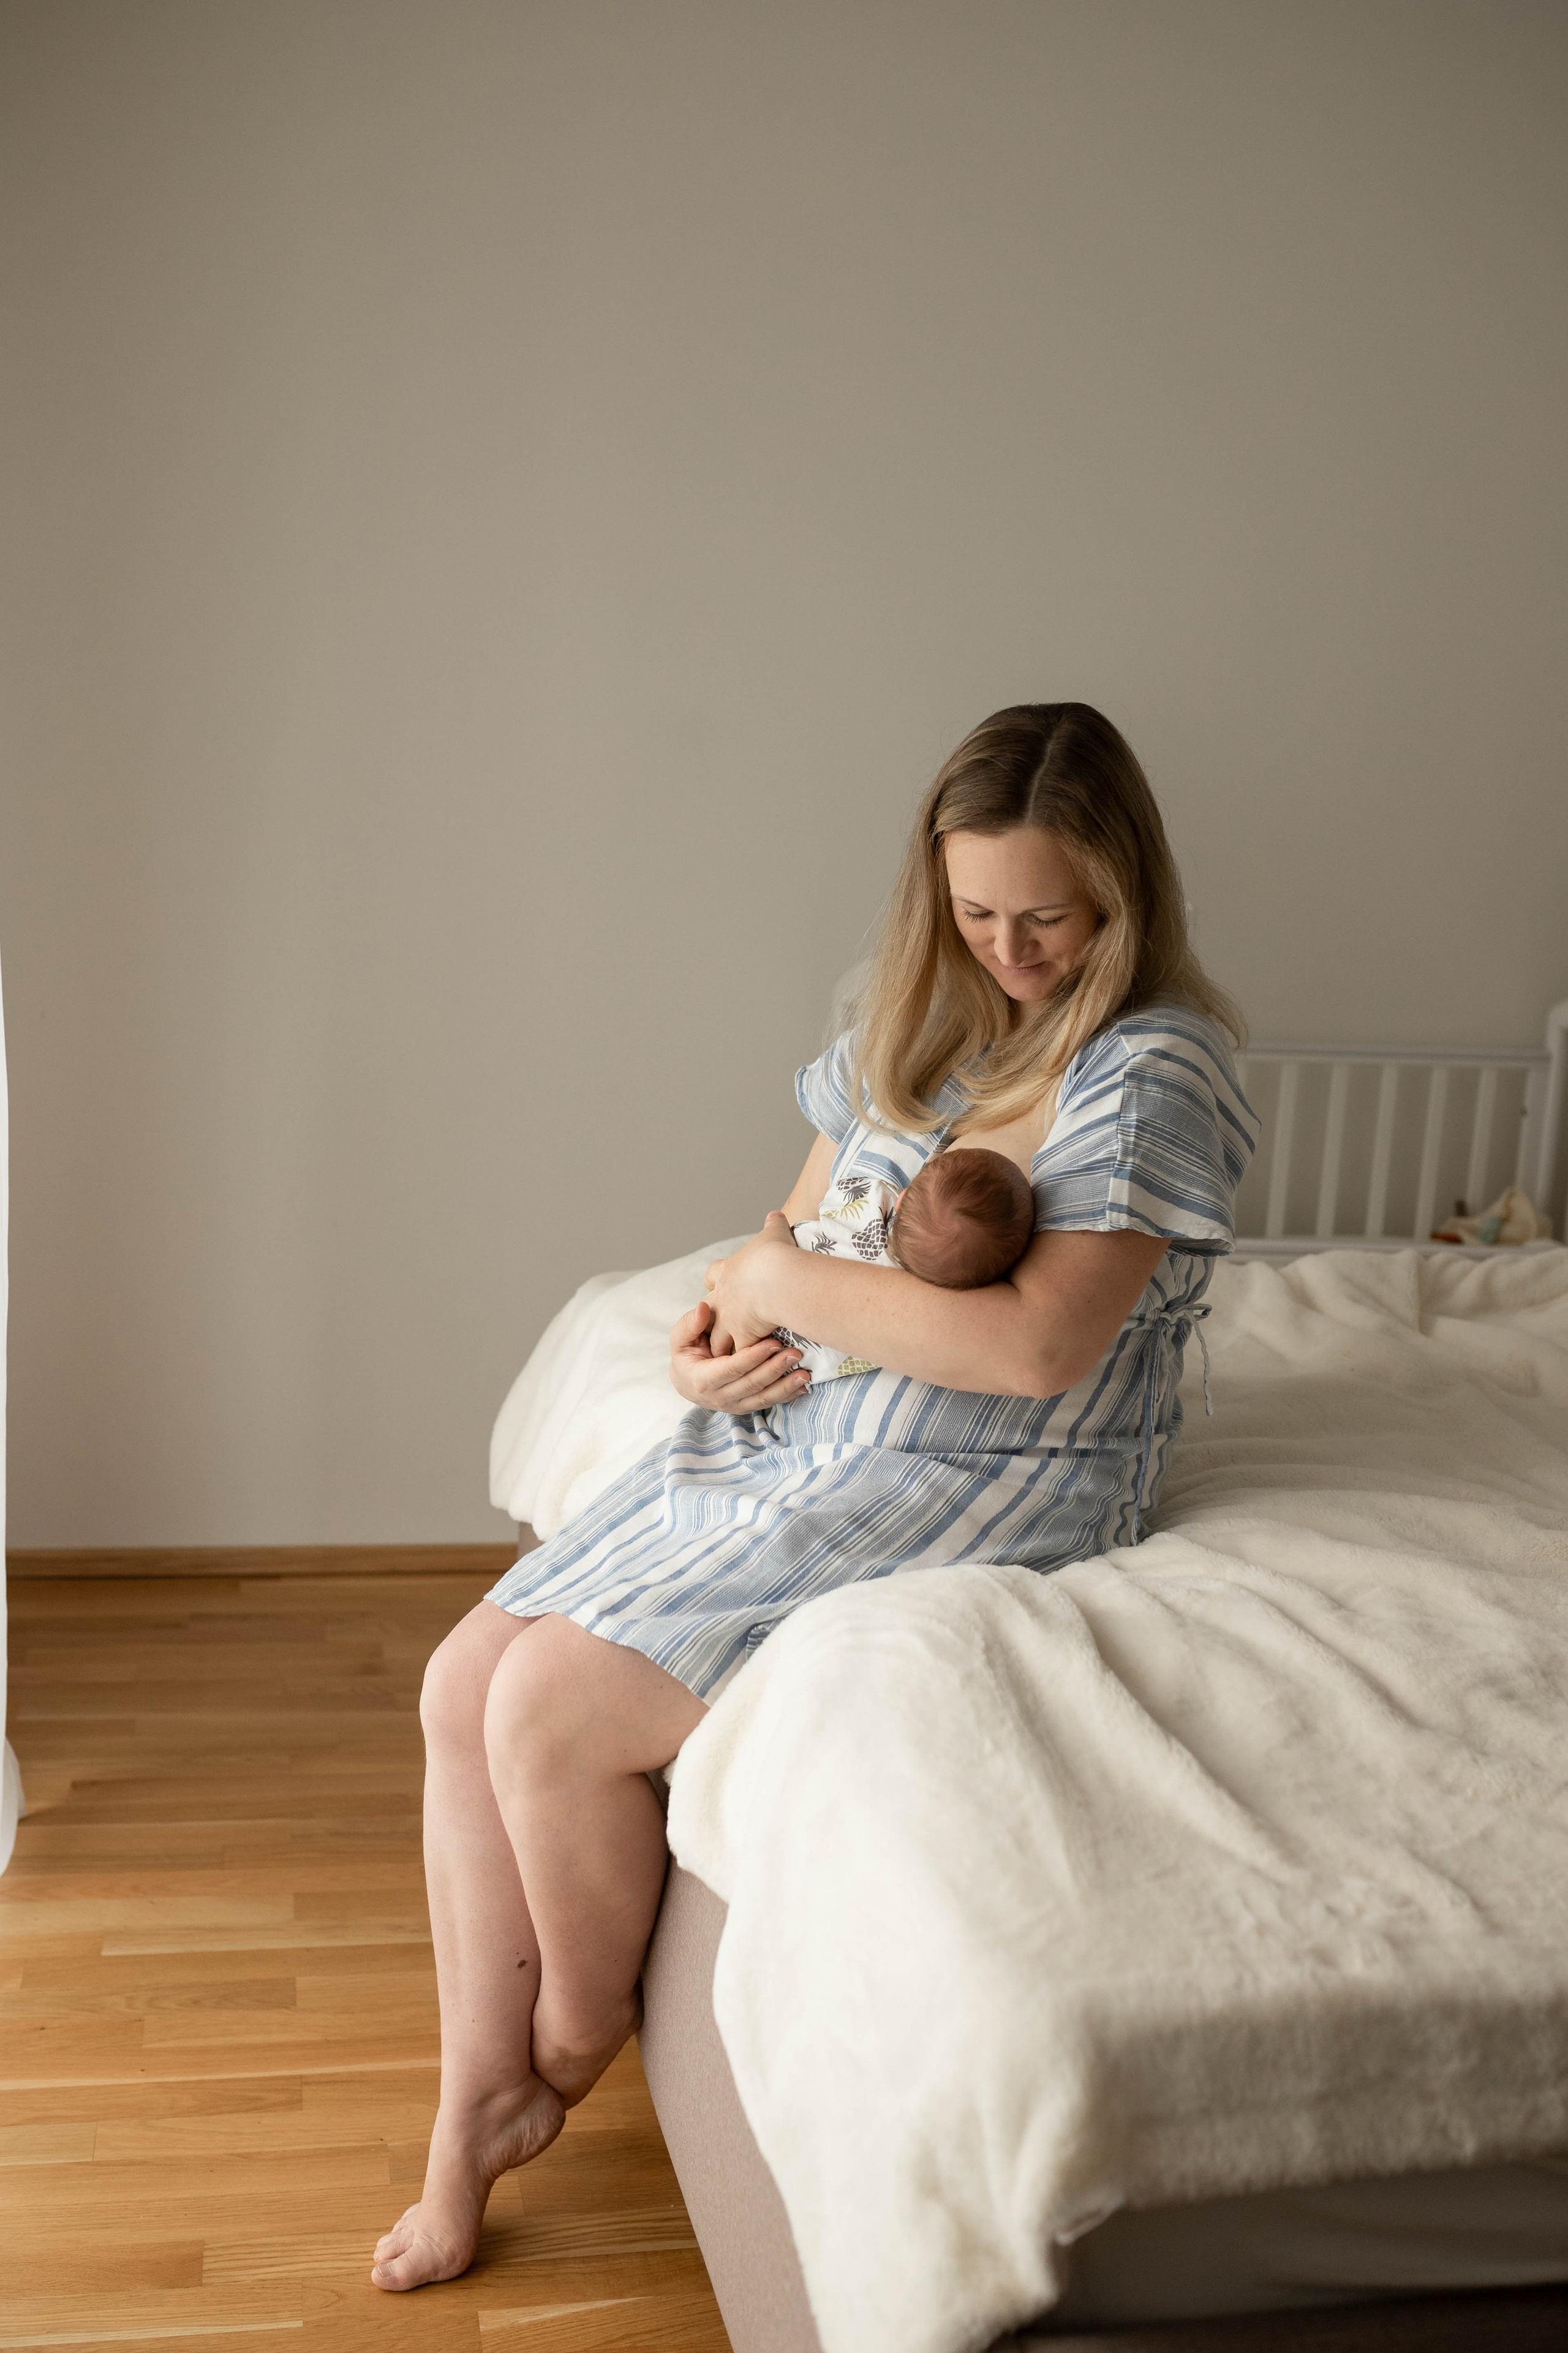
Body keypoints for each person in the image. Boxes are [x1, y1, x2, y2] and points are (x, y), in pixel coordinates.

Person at [371, 701, 1257, 2291]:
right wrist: (719, 1332)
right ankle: (465, 2106)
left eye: (1046, 915)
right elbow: (776, 1235)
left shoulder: (1154, 1067)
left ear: (1122, 896)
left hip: (989, 1468)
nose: (1011, 949)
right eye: (978, 913)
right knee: (460, 1687)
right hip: (815, 1423)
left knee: (550, 1714)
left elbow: (1046, 1350)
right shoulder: (912, 1026)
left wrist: (781, 1277)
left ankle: (560, 2052)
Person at [777, 1147, 1037, 1381]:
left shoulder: (872, 1200)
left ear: (902, 1199)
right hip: (784, 1366)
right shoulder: (918, 1324)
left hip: (773, 1282)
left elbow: (831, 1199)